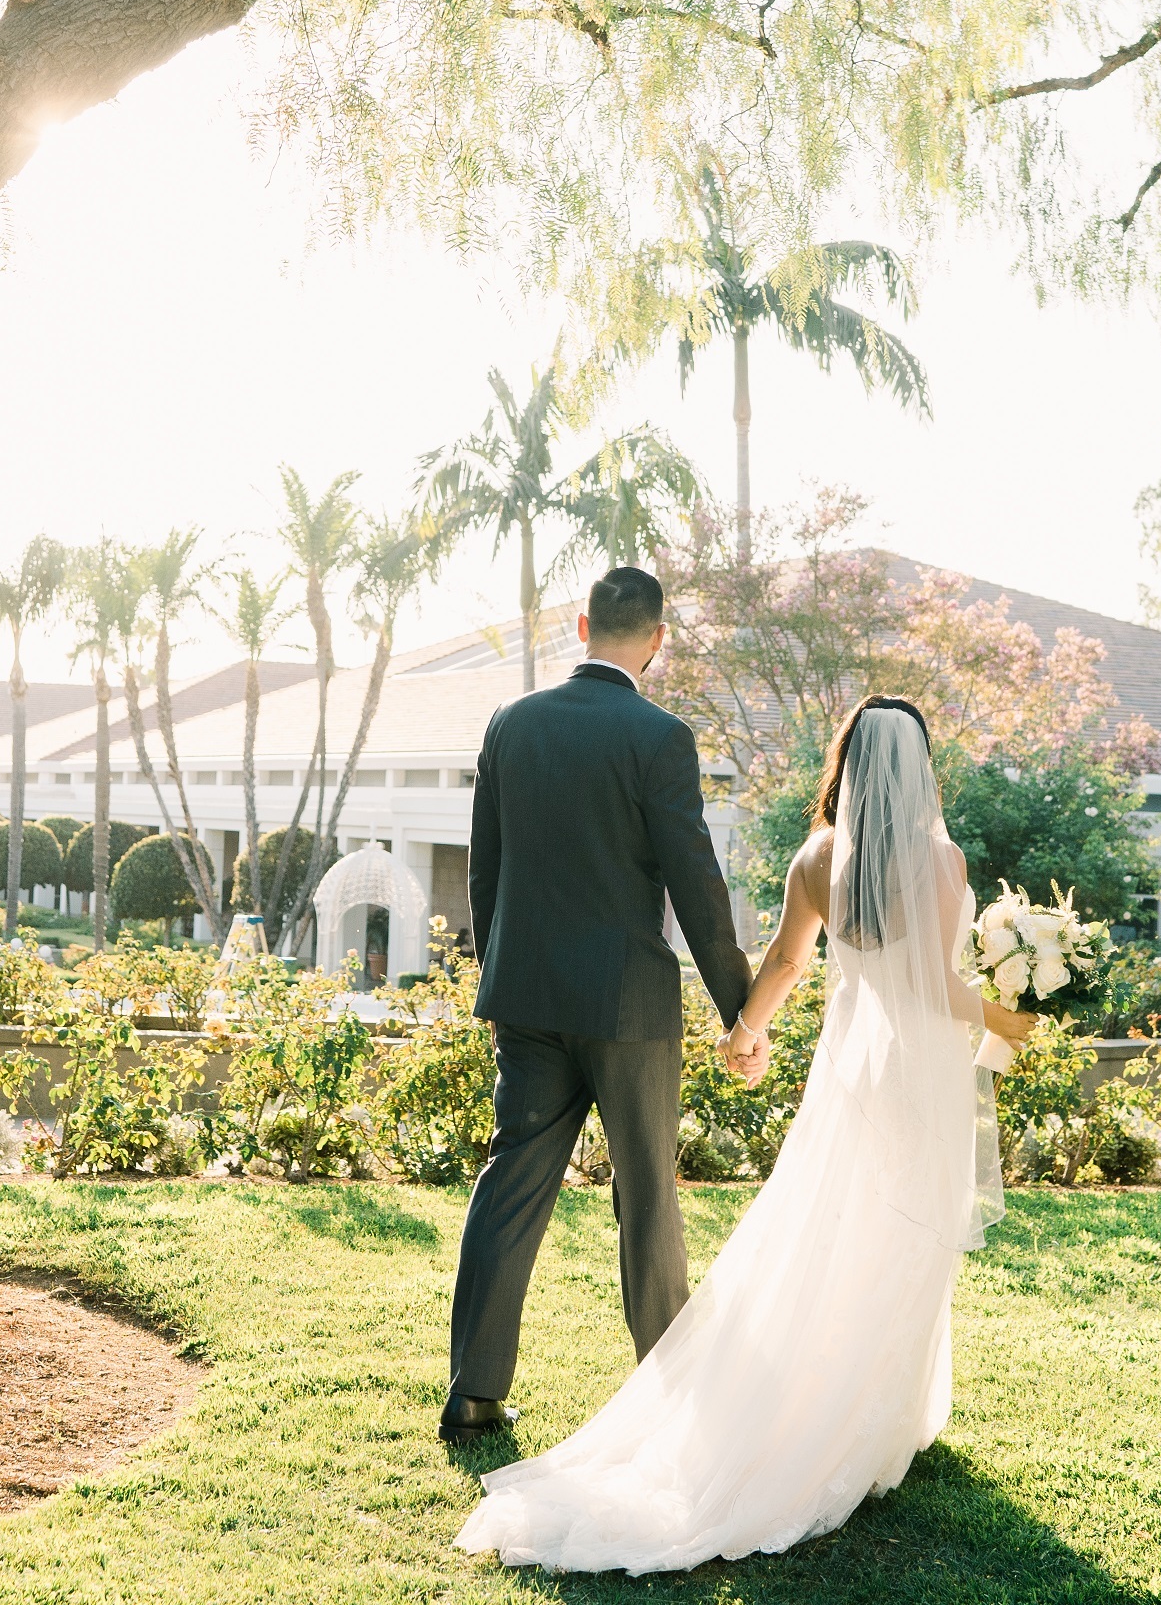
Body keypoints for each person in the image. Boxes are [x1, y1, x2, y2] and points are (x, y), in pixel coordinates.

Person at [452, 694, 1037, 1573]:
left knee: (838, 1230)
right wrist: (1012, 1016)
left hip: (849, 1072)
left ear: (846, 763)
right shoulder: (940, 859)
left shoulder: (816, 858)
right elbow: (935, 984)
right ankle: (880, 1422)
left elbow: (789, 960)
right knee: (909, 1238)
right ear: (918, 768)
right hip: (918, 1072)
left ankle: (871, 1411)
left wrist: (747, 1028)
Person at [440, 564, 752, 1446]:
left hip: (527, 997)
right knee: (647, 1193)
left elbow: (486, 868)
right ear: (658, 639)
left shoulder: (511, 721)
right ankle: (672, 1391)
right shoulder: (659, 736)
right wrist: (738, 1007)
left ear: (582, 627)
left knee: (509, 1183)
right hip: (627, 1006)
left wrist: (501, 976)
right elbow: (696, 883)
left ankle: (472, 1394)